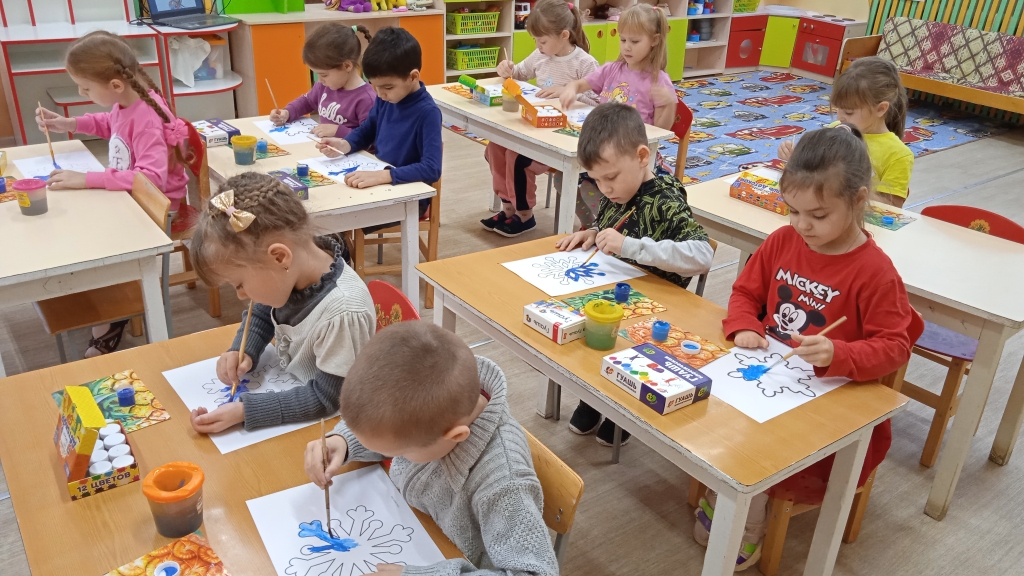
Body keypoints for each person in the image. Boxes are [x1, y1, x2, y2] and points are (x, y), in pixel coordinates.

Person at [695, 125, 920, 570]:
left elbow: (896, 346)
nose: (802, 225)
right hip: (766, 370)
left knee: (760, 442)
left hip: (830, 396)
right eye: (793, 210)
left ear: (858, 201)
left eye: (817, 215)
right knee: (703, 405)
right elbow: (745, 293)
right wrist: (744, 325)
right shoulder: (783, 240)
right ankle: (725, 484)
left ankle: (748, 514)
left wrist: (840, 355)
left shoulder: (875, 272)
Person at [305, 321, 559, 576]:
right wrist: (345, 441)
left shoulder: (505, 482)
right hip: (416, 525)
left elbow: (535, 573)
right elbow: (390, 424)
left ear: (456, 436)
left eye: (399, 453)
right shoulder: (439, 410)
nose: (396, 457)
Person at [556, 103, 713, 448]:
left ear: (643, 156)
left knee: (629, 357)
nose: (604, 188)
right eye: (596, 180)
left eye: (610, 178)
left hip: (659, 310)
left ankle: (622, 413)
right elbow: (612, 223)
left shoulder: (665, 199)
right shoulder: (619, 189)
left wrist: (631, 246)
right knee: (594, 343)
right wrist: (593, 232)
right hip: (618, 294)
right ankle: (593, 399)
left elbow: (703, 255)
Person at [34, 30, 189, 358]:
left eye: (85, 88)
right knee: (75, 218)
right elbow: (111, 123)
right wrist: (69, 124)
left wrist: (88, 179)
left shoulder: (147, 118)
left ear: (116, 84)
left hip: (157, 207)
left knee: (90, 234)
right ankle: (99, 298)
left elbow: (151, 180)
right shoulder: (127, 100)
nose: (81, 93)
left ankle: (113, 314)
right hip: (131, 195)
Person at [187, 172, 375, 434]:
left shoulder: (342, 313)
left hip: (329, 430)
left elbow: (328, 398)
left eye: (239, 284)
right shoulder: (291, 273)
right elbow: (262, 313)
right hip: (295, 397)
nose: (241, 296)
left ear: (278, 257)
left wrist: (246, 411)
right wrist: (243, 350)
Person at [554, 4, 678, 229]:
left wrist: (669, 104)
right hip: (601, 151)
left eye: (635, 41)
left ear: (654, 40)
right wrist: (571, 89)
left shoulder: (658, 81)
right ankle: (593, 225)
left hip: (633, 159)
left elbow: (659, 133)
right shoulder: (612, 70)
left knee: (596, 188)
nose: (627, 47)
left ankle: (610, 225)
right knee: (562, 178)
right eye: (623, 40)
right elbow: (580, 84)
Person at [483, 0, 598, 237]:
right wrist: (507, 69)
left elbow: (599, 104)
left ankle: (525, 215)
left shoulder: (585, 63)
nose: (538, 45)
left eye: (542, 41)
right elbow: (520, 73)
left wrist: (568, 91)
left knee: (517, 158)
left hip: (564, 138)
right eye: (535, 40)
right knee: (496, 147)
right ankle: (509, 209)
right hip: (535, 128)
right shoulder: (540, 55)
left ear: (564, 35)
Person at [316, 27, 442, 210]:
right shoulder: (386, 98)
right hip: (380, 184)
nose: (380, 94)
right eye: (374, 86)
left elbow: (431, 169)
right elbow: (368, 129)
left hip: (408, 196)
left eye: (388, 87)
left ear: (413, 77)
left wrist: (384, 175)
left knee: (340, 211)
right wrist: (346, 144)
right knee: (329, 200)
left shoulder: (428, 113)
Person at [779, 57, 913, 207]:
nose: (840, 117)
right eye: (838, 109)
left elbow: (892, 208)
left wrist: (847, 188)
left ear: (881, 109)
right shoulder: (836, 129)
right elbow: (813, 171)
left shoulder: (898, 154)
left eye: (849, 112)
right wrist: (796, 158)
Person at [270, 23, 376, 139]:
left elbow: (370, 139)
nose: (320, 80)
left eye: (324, 75)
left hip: (349, 150)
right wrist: (287, 112)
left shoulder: (366, 100)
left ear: (346, 66)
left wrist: (338, 131)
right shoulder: (324, 86)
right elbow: (307, 101)